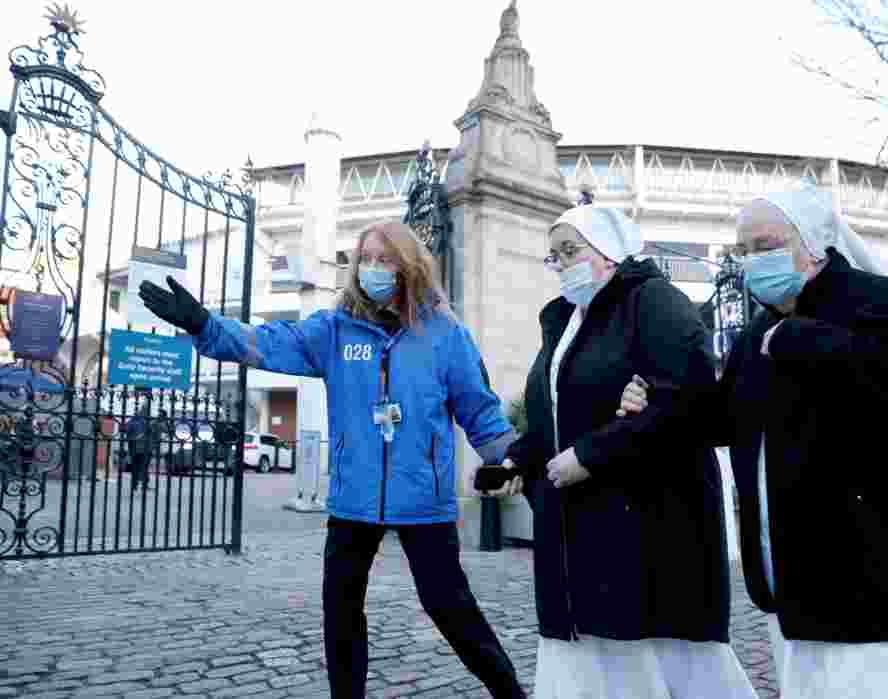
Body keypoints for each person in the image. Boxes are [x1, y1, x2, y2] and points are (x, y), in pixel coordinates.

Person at [139, 221, 527, 699]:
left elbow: (479, 409)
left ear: (408, 267)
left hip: (423, 499)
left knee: (450, 607)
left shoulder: (445, 334)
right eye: (366, 258)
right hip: (352, 499)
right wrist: (204, 324)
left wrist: (512, 457)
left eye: (385, 259)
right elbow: (268, 343)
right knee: (341, 612)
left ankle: (510, 692)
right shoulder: (335, 329)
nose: (373, 268)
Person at [618, 183, 888, 697]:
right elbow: (722, 417)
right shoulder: (760, 327)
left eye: (765, 245)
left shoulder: (884, 299)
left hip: (887, 582)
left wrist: (801, 341)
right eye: (743, 251)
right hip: (801, 585)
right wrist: (657, 403)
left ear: (813, 245)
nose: (751, 261)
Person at [496, 204, 757, 698]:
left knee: (646, 656)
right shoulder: (564, 321)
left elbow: (683, 397)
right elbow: (553, 413)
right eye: (553, 256)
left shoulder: (654, 301)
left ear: (610, 249)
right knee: (586, 656)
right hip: (575, 529)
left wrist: (591, 455)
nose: (562, 263)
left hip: (645, 525)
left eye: (571, 250)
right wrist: (521, 456)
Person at [126, 404, 153, 492]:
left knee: (136, 467)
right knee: (144, 467)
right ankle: (143, 485)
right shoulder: (148, 421)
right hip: (145, 448)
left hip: (136, 448)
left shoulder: (133, 420)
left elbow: (127, 432)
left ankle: (135, 484)